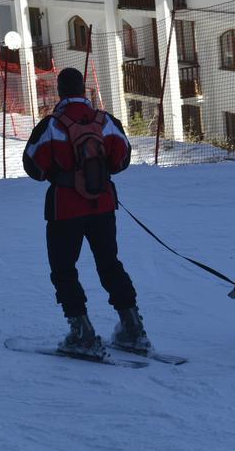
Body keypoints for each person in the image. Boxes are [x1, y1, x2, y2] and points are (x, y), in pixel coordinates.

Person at [22, 67, 150, 358]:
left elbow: (33, 166)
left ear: (60, 91)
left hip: (64, 208)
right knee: (109, 264)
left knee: (64, 269)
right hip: (103, 204)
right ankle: (133, 329)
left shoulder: (51, 125)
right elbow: (123, 158)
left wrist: (61, 172)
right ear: (84, 90)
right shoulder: (105, 121)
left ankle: (82, 333)